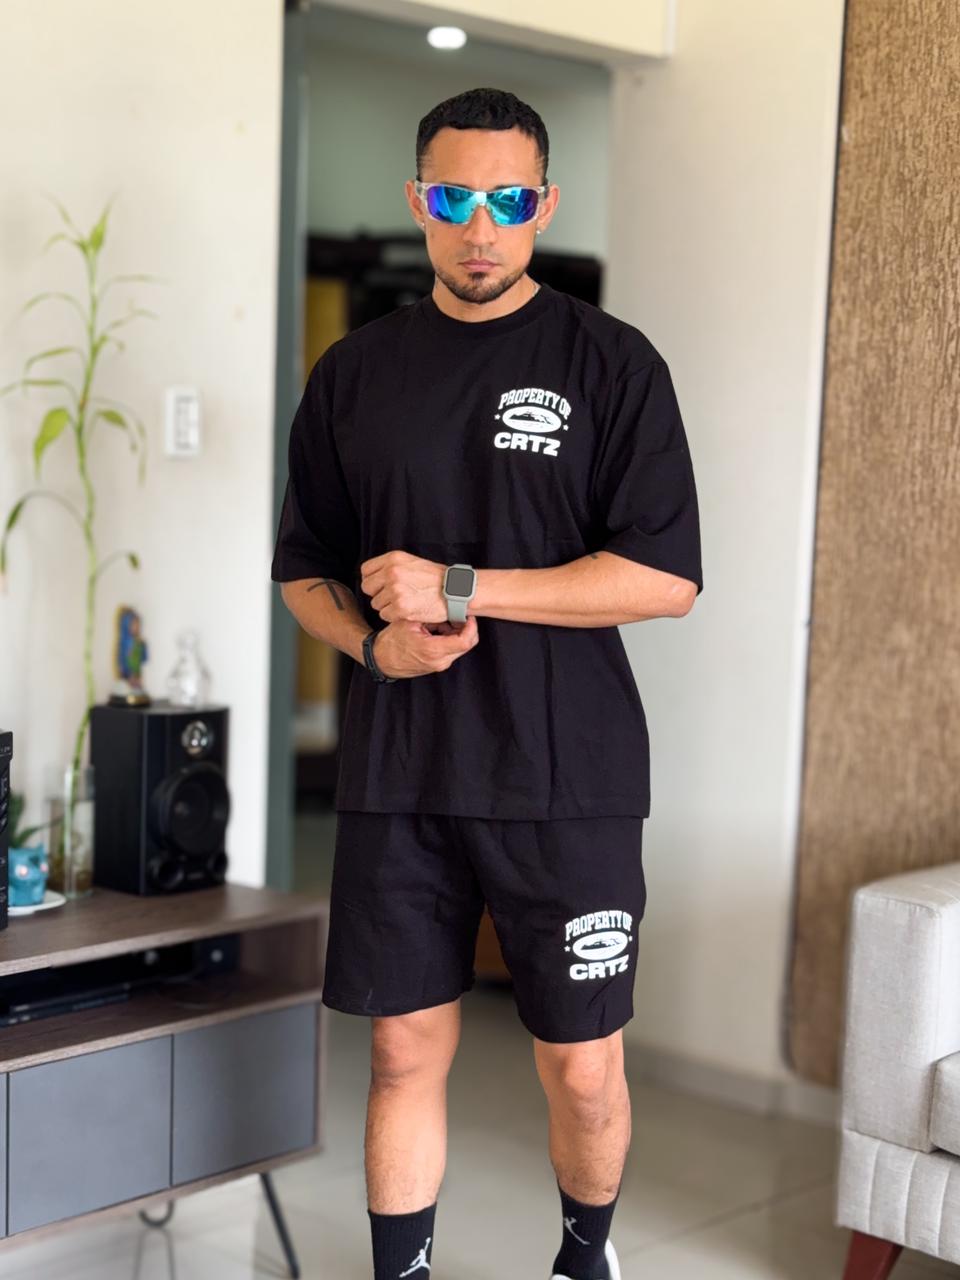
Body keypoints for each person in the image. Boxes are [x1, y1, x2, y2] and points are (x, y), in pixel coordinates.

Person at [272, 86, 703, 1280]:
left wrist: (462, 586)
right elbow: (305, 569)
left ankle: (584, 1257)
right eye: (455, 198)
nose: (479, 226)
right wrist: (376, 648)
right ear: (419, 200)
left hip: (568, 772)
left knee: (582, 1060)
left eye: (508, 201)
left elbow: (664, 577)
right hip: (401, 771)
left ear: (543, 206)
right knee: (402, 1051)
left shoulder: (611, 364)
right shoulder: (355, 373)